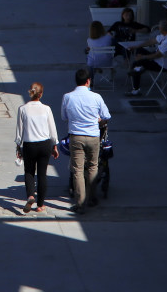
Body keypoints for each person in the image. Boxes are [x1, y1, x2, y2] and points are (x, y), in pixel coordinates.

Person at [61, 68, 111, 214]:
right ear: (88, 81)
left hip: (76, 137)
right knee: (92, 167)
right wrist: (98, 121)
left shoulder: (67, 97)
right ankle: (91, 197)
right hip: (93, 137)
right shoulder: (96, 97)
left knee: (77, 170)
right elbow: (106, 115)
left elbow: (64, 117)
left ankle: (80, 202)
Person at [15, 82, 59, 213]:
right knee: (42, 174)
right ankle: (40, 205)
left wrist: (18, 146)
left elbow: (19, 130)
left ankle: (30, 195)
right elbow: (52, 129)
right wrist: (54, 145)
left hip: (29, 145)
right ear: (41, 94)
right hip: (44, 144)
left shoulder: (22, 109)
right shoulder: (46, 109)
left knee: (29, 172)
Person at [128, 19, 167, 95]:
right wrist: (136, 46)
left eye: (159, 27)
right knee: (140, 51)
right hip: (160, 59)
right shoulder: (166, 34)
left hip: (163, 65)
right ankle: (139, 68)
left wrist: (143, 57)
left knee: (137, 62)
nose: (158, 28)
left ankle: (136, 89)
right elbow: (152, 41)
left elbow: (157, 55)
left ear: (162, 29)